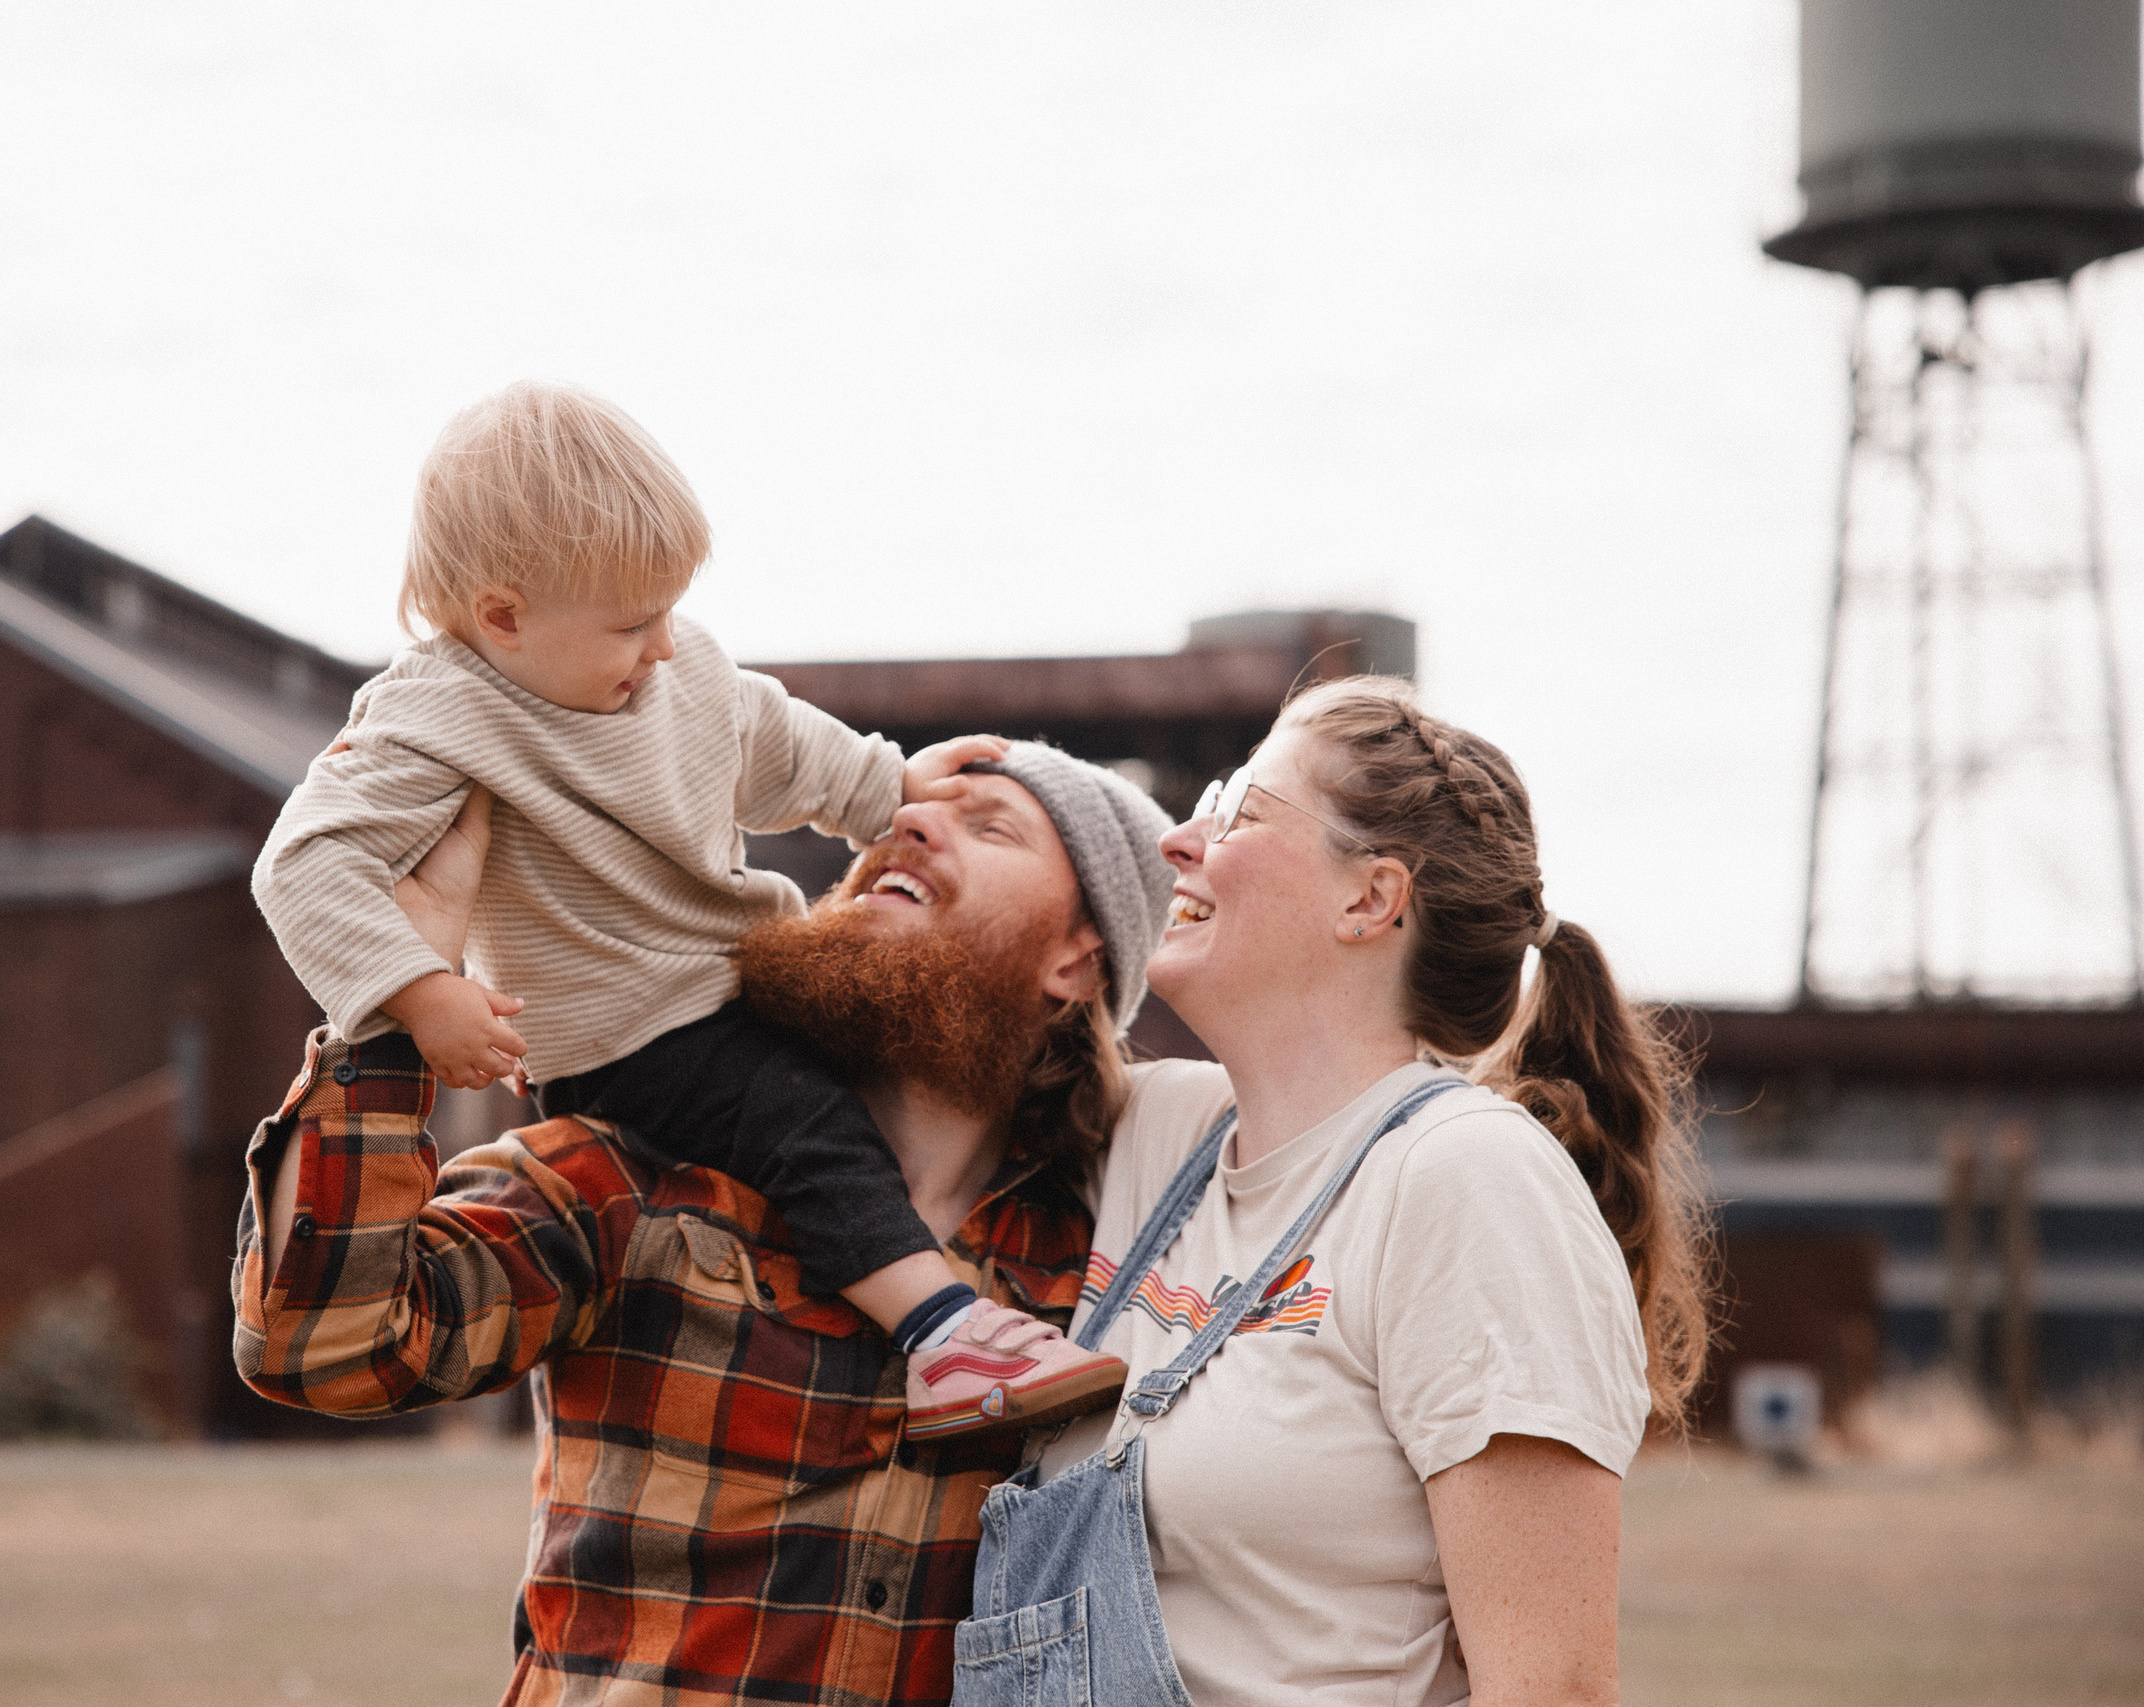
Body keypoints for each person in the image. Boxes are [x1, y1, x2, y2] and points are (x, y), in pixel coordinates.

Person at [251, 380, 1123, 1436]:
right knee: (807, 1122)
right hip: (626, 1033)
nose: (663, 645)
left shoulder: (676, 672)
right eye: (630, 624)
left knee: (815, 1086)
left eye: (669, 610)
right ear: (501, 617)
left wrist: (886, 787)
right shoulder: (435, 722)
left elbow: (778, 739)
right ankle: (942, 1334)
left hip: (723, 982)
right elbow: (304, 865)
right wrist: (418, 995)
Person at [235, 746, 1176, 1707]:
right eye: (911, 810)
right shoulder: (629, 1175)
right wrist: (392, 1006)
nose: (914, 820)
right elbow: (324, 1344)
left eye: (990, 825)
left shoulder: (1107, 1266)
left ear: (1076, 959)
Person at [956, 677, 1713, 1707]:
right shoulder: (1156, 1130)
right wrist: (901, 792)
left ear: (1369, 899)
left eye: (1239, 811)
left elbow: (1552, 1689)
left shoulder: (1463, 1179)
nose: (1180, 839)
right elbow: (931, 1000)